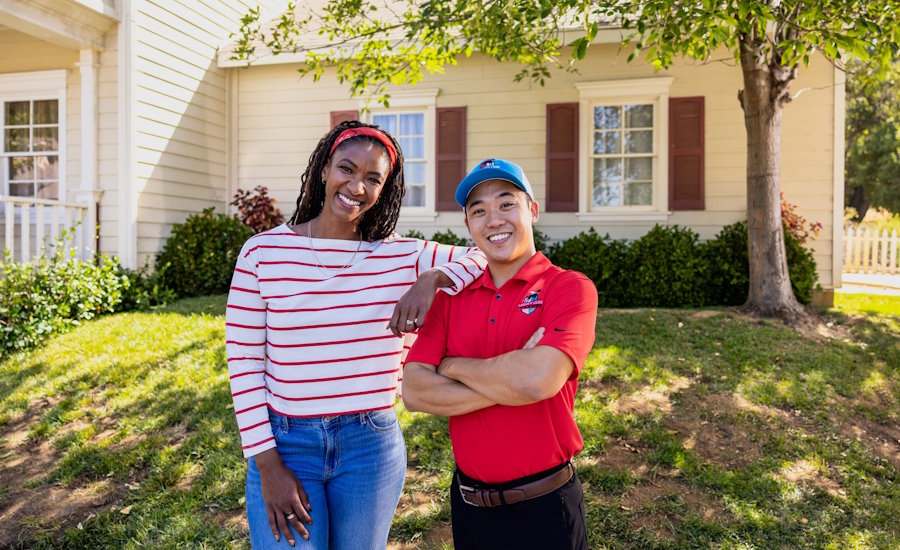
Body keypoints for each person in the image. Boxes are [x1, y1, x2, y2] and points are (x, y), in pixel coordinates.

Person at [225, 120, 486, 549]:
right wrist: (267, 465)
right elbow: (245, 363)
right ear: (324, 170)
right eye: (347, 169)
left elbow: (484, 255)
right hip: (287, 443)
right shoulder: (263, 252)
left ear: (384, 189)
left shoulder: (402, 255)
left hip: (370, 445)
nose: (356, 186)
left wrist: (432, 278)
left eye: (372, 178)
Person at [402, 158, 598, 549]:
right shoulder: (450, 301)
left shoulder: (568, 288)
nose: (494, 220)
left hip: (546, 507)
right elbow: (415, 392)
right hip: (470, 508)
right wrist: (513, 380)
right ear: (468, 225)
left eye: (506, 204)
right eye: (479, 211)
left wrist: (451, 366)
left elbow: (538, 379)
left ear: (532, 210)